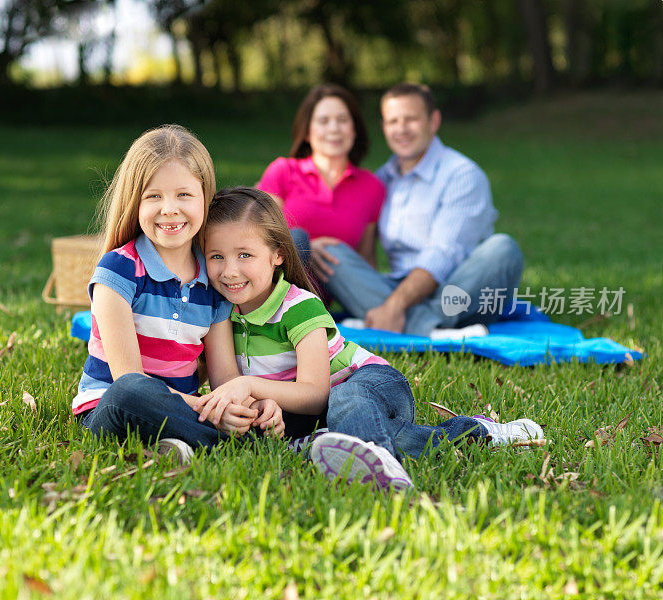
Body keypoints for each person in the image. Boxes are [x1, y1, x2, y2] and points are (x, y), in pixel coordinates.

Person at [194, 187, 544, 491]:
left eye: (245, 255)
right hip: (312, 410)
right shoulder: (222, 311)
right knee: (281, 433)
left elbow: (316, 394)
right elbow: (233, 387)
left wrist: (252, 387)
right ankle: (478, 434)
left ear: (278, 255)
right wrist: (259, 406)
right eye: (216, 257)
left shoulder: (298, 308)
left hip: (368, 382)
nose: (230, 271)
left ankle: (381, 468)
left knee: (345, 401)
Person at [72, 125, 285, 464]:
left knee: (248, 412)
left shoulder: (213, 281)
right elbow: (127, 376)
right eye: (153, 196)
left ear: (205, 199)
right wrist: (205, 408)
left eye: (184, 195)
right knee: (131, 391)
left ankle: (181, 444)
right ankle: (229, 444)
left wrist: (248, 406)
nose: (169, 209)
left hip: (184, 410)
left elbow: (224, 378)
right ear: (134, 202)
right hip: (111, 409)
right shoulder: (119, 271)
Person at [319, 83, 524, 339]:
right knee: (327, 252)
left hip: (456, 290)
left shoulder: (462, 174)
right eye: (393, 121)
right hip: (395, 286)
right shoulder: (381, 179)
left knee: (503, 248)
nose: (401, 129)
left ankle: (406, 322)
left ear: (433, 121)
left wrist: (394, 306)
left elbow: (443, 255)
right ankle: (431, 329)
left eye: (411, 119)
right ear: (384, 127)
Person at [257, 83, 385, 273]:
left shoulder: (372, 187)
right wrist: (304, 249)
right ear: (307, 132)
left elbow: (365, 261)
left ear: (354, 129)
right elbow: (255, 239)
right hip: (281, 285)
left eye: (342, 120)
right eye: (323, 121)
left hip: (332, 289)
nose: (334, 129)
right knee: (298, 239)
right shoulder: (283, 171)